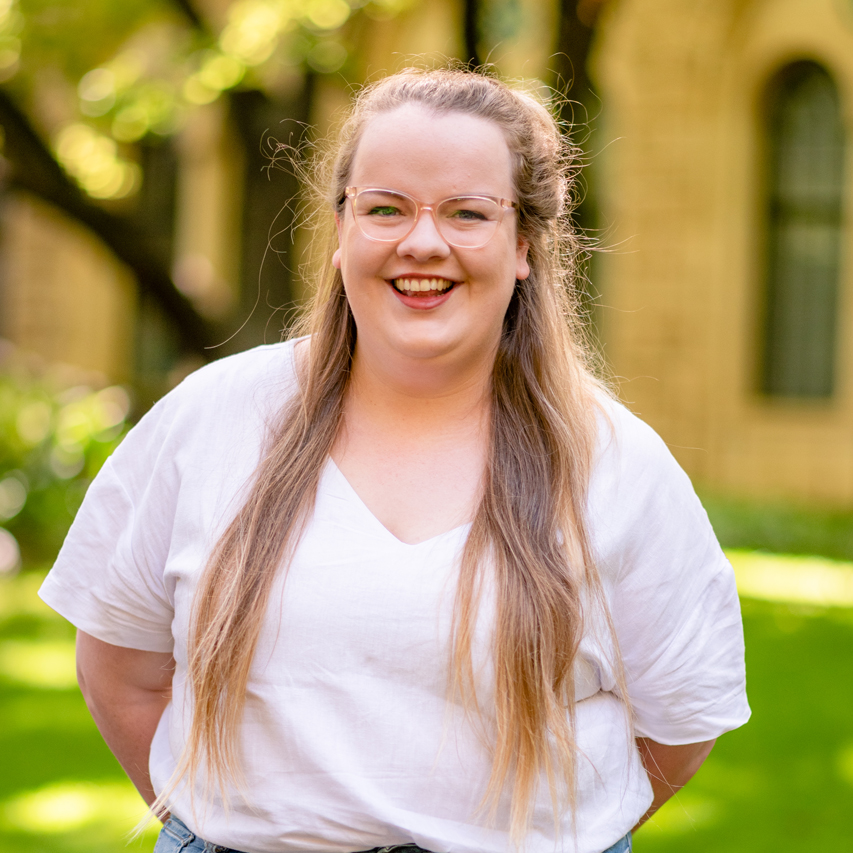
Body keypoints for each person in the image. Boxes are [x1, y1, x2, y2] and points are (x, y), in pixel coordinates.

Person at [40, 67, 749, 853]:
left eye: (466, 212)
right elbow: (121, 670)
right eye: (385, 208)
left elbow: (678, 728)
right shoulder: (212, 418)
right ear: (341, 231)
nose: (422, 241)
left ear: (522, 244)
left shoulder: (617, 465)